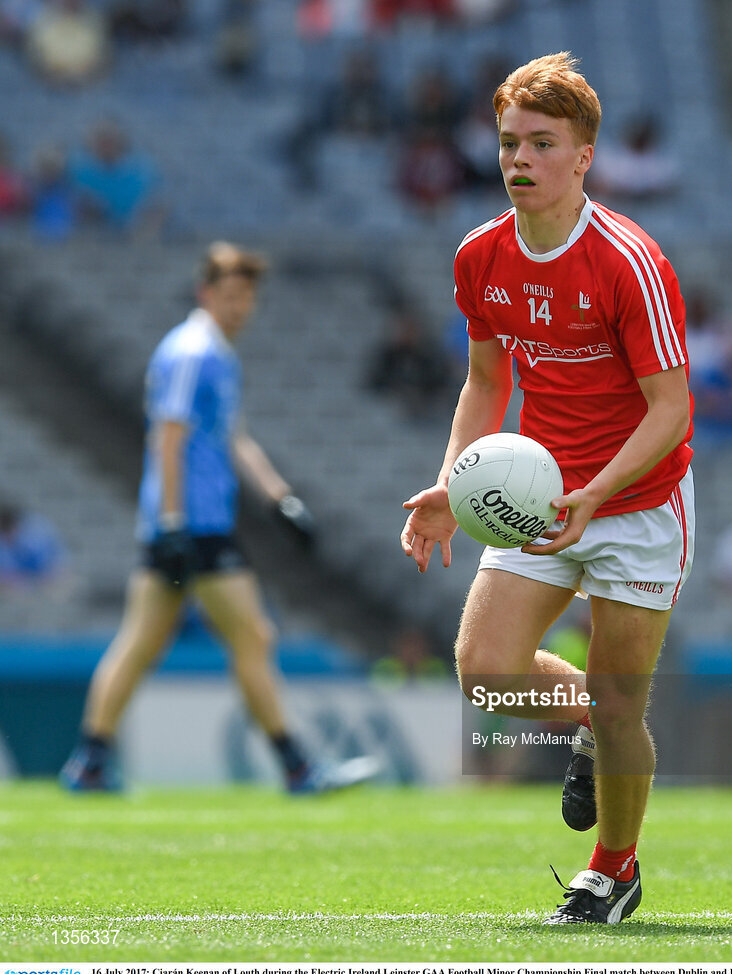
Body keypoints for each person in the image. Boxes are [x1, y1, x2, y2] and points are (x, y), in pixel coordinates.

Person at [400, 53, 694, 925]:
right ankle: (588, 734)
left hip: (636, 502)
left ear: (584, 155)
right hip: (537, 491)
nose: (517, 160)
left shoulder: (628, 260)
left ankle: (614, 867)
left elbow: (671, 411)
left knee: (620, 704)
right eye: (507, 144)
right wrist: (452, 486)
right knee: (485, 671)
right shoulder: (480, 255)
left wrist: (598, 495)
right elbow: (486, 383)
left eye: (540, 143)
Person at [60, 242, 376, 795]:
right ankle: (298, 765)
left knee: (140, 643)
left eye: (246, 296)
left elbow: (232, 437)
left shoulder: (216, 354)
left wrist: (282, 500)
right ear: (206, 293)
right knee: (252, 633)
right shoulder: (192, 352)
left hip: (181, 523)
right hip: (195, 525)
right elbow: (169, 436)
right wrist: (177, 518)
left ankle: (89, 760)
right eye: (230, 296)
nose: (239, 307)